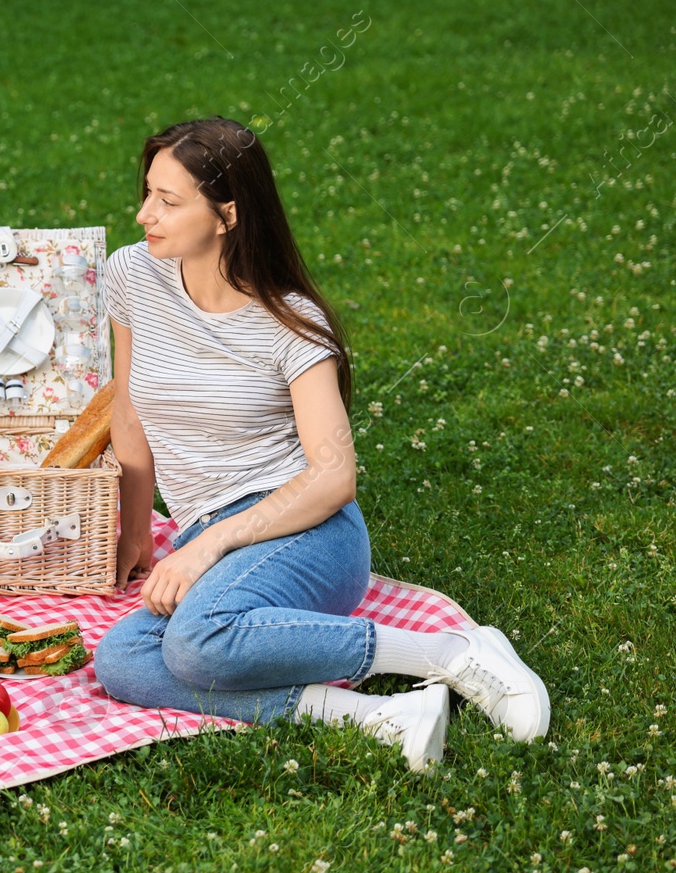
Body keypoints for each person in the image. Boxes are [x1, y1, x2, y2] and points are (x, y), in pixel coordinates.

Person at [93, 118, 549, 772]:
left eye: (168, 200)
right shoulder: (132, 275)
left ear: (225, 214)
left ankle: (451, 652)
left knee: (196, 643)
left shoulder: (292, 321)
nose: (144, 214)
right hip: (210, 535)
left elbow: (334, 476)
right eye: (147, 192)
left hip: (309, 529)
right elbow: (130, 409)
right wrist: (136, 534)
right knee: (123, 660)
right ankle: (378, 717)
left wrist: (210, 546)